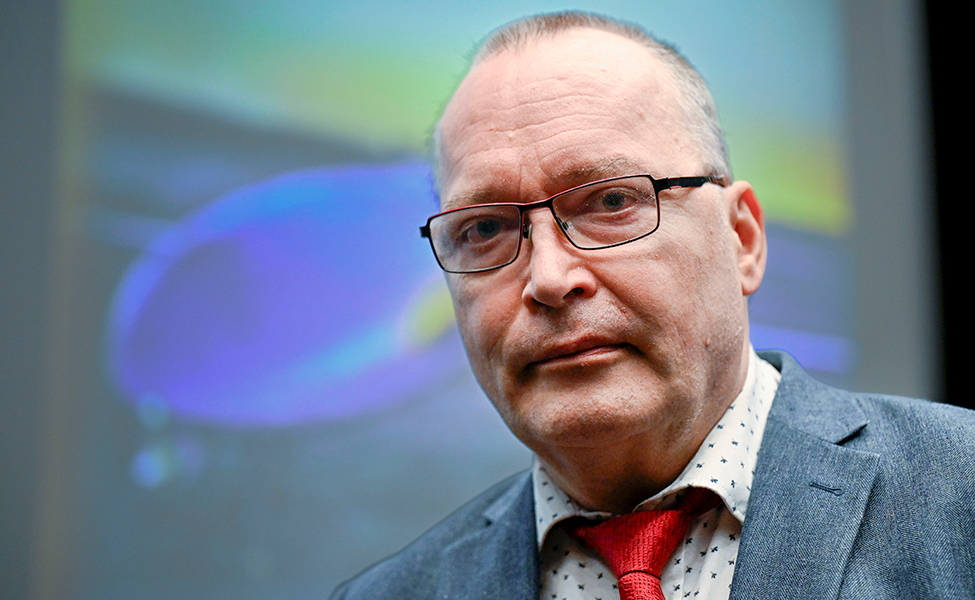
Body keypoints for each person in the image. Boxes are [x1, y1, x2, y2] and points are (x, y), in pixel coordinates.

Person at [331, 11, 975, 600]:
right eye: (486, 229)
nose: (549, 278)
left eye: (612, 202)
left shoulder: (958, 492)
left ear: (742, 239)